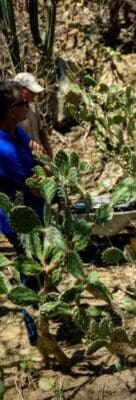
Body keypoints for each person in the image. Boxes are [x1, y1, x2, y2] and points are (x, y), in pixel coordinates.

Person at [0, 81, 48, 346]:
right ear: (10, 110)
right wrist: (44, 166)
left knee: (43, 270)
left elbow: (44, 168)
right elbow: (41, 186)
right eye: (23, 104)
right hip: (20, 222)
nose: (28, 107)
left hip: (37, 215)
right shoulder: (4, 149)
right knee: (30, 277)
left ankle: (47, 325)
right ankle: (36, 336)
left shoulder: (16, 132)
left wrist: (44, 167)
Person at [13, 72, 52, 157]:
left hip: (39, 155)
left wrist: (49, 153)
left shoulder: (33, 107)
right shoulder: (12, 112)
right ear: (20, 90)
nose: (34, 94)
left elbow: (41, 131)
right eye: (30, 91)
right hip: (22, 157)